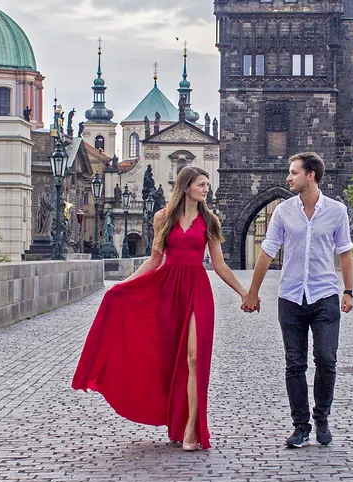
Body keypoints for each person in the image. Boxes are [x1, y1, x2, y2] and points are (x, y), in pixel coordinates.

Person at [72, 166, 251, 450]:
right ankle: (174, 419)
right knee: (168, 358)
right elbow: (154, 259)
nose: (206, 189)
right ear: (187, 186)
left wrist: (245, 292)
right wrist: (123, 285)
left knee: (194, 358)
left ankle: (192, 427)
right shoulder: (162, 218)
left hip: (197, 290)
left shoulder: (210, 220)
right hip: (168, 289)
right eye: (202, 185)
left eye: (207, 185)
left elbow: (219, 265)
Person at [241, 151, 353, 449]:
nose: (288, 177)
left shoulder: (336, 211)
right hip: (291, 296)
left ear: (311, 175)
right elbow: (267, 251)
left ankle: (322, 418)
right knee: (294, 364)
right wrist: (253, 292)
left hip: (324, 295)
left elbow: (344, 251)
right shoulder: (282, 212)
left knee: (327, 360)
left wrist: (348, 290)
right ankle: (301, 426)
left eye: (293, 172)